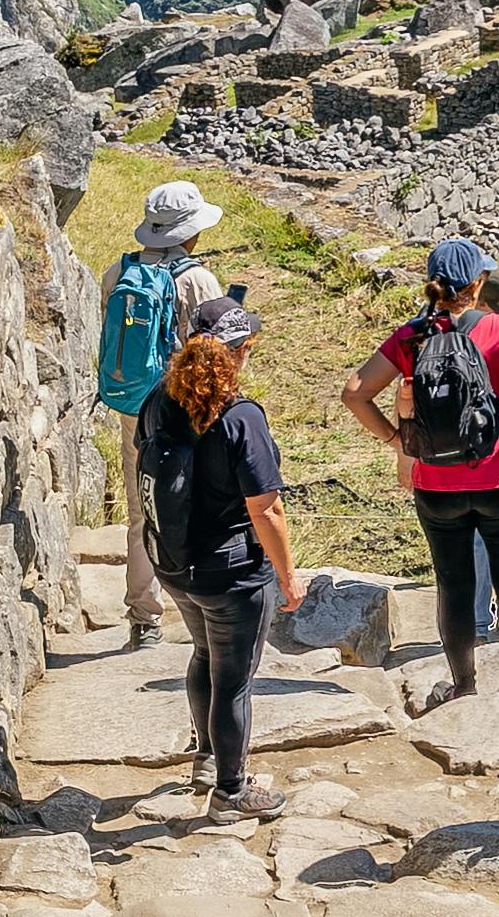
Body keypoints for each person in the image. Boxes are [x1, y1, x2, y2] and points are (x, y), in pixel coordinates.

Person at [343, 237, 499, 717]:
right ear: (478, 283)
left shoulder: (411, 336)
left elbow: (355, 393)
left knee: (454, 586)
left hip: (437, 483)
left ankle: (465, 685)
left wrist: (399, 441)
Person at [133, 309, 303, 821]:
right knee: (234, 680)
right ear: (239, 353)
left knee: (204, 657)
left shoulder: (159, 400)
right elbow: (266, 508)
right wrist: (288, 576)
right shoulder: (240, 417)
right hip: (231, 574)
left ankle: (208, 760)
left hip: (172, 563)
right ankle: (231, 792)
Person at [96, 180, 231, 634]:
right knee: (202, 502)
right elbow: (218, 352)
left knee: (143, 509)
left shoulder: (119, 272)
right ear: (190, 231)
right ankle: (203, 607)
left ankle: (143, 616)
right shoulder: (197, 280)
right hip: (188, 407)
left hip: (135, 405)